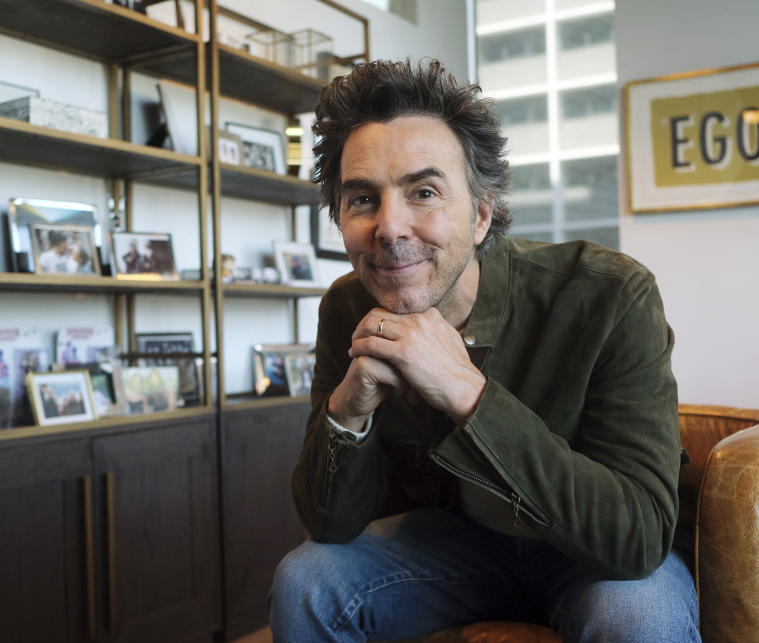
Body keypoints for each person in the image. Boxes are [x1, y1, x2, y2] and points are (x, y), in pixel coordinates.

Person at [270, 59, 698, 643]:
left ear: (480, 214)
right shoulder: (347, 309)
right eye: (362, 199)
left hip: (592, 556)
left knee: (637, 618)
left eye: (424, 191)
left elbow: (638, 538)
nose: (390, 227)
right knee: (306, 580)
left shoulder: (610, 295)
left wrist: (467, 391)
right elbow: (328, 524)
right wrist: (348, 412)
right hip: (456, 550)